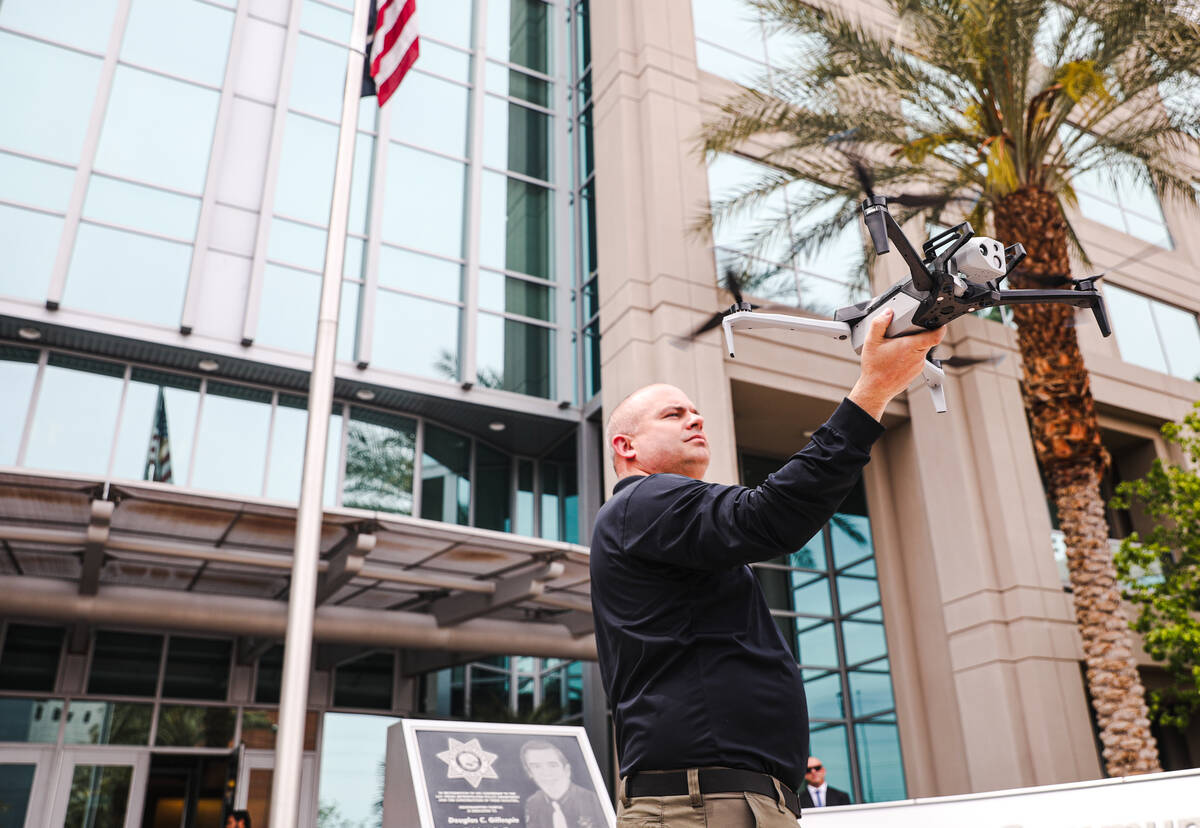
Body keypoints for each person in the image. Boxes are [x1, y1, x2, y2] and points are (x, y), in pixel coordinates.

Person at [590, 310, 943, 827]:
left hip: (722, 800)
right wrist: (873, 389)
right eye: (673, 415)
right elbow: (769, 515)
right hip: (704, 804)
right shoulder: (642, 500)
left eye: (695, 412)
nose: (695, 419)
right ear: (627, 447)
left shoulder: (661, 523)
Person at [520, 739, 609, 828]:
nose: (545, 772)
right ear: (529, 773)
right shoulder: (532, 803)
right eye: (536, 766)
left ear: (567, 769)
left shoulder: (593, 800)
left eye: (552, 765)